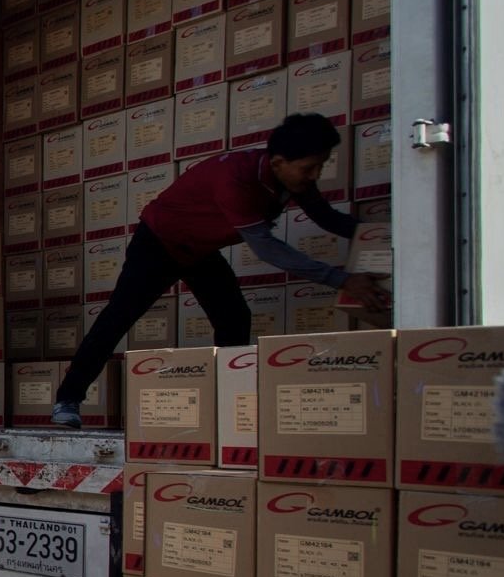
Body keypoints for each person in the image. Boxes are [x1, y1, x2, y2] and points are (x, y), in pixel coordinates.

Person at [52, 113, 389, 428]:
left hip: (198, 249)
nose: (315, 175)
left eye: (321, 166)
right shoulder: (237, 180)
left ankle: (228, 405)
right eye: (309, 168)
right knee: (119, 317)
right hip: (158, 242)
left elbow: (329, 219)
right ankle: (67, 400)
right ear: (278, 163)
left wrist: (383, 235)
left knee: (233, 318)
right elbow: (267, 248)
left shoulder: (294, 180)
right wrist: (342, 279)